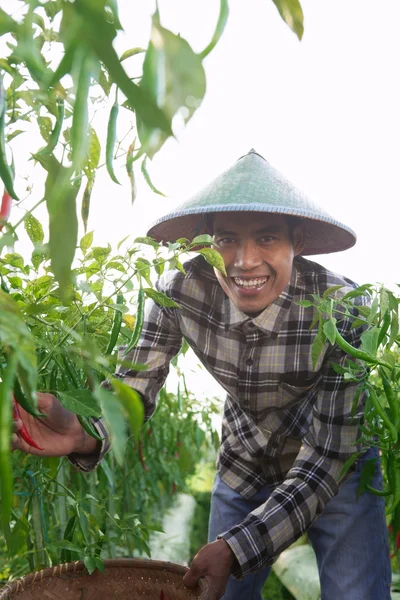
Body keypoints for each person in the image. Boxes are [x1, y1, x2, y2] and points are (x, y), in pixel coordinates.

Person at [12, 150, 391, 600]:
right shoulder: (182, 291)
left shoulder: (346, 309)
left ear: (299, 242)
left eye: (267, 238)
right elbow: (134, 385)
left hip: (336, 467)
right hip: (244, 459)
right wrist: (85, 430)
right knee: (219, 593)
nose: (244, 261)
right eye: (226, 240)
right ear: (205, 244)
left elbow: (328, 454)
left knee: (356, 593)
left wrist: (236, 546)